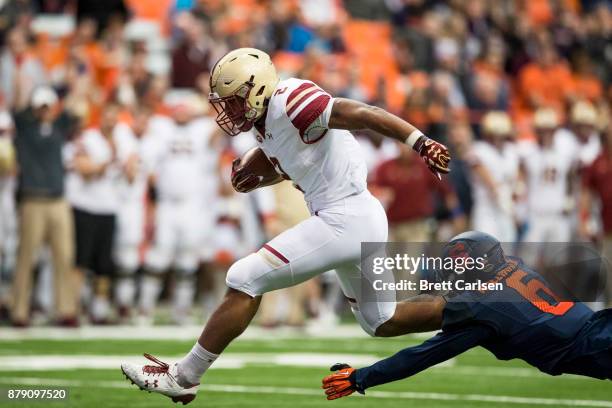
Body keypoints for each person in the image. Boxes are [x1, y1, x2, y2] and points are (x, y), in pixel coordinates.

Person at [121, 47, 451, 403]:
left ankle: (185, 376)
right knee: (382, 321)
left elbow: (363, 113)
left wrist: (420, 142)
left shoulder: (291, 99)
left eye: (233, 101)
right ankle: (476, 308)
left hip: (345, 216)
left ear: (257, 89)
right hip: (356, 216)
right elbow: (295, 160)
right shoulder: (264, 124)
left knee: (244, 278)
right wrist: (261, 176)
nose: (229, 111)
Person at [321, 231, 611, 401]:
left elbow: (423, 355)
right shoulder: (516, 266)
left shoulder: (481, 307)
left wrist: (361, 377)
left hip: (597, 346)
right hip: (598, 328)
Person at [11, 86, 79, 327]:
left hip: (58, 199)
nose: (45, 111)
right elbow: (17, 113)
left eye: (48, 106)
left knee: (64, 256)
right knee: (26, 257)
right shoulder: (25, 129)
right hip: (32, 200)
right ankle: (18, 310)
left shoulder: (59, 127)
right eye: (41, 106)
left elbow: (74, 107)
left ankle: (66, 310)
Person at [66, 103, 122, 324]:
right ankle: (72, 309)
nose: (111, 121)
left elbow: (131, 171)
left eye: (114, 117)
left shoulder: (122, 140)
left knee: (104, 264)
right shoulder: (88, 138)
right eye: (107, 116)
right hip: (86, 206)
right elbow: (86, 171)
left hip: (109, 207)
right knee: (81, 261)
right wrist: (109, 161)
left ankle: (99, 311)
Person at [470, 111, 519, 242]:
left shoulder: (511, 151)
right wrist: (501, 194)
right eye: (494, 135)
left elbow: (516, 179)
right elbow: (486, 177)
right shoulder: (479, 149)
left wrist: (515, 200)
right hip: (486, 208)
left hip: (506, 209)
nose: (498, 139)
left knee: (508, 251)